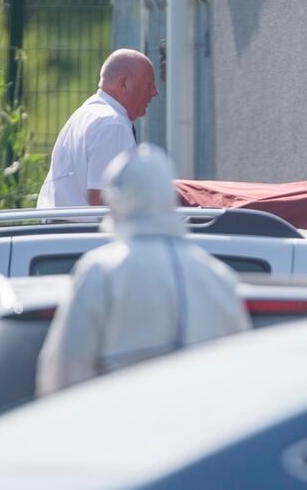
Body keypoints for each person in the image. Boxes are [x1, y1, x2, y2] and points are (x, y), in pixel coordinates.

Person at [36, 144, 251, 395]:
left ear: (116, 199)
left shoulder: (100, 273)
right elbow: (240, 375)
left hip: (123, 430)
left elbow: (62, 375)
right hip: (203, 430)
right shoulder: (217, 276)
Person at [37, 49, 158, 208]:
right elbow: (103, 201)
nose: (154, 92)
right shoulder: (112, 124)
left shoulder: (87, 113)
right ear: (124, 84)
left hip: (60, 228)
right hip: (82, 231)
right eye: (149, 84)